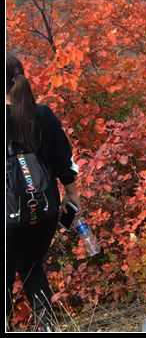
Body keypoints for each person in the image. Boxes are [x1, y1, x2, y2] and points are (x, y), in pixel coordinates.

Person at [6, 54, 80, 331]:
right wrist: (73, 197)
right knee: (32, 267)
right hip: (46, 209)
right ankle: (47, 325)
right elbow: (65, 161)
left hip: (8, 214)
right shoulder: (43, 115)